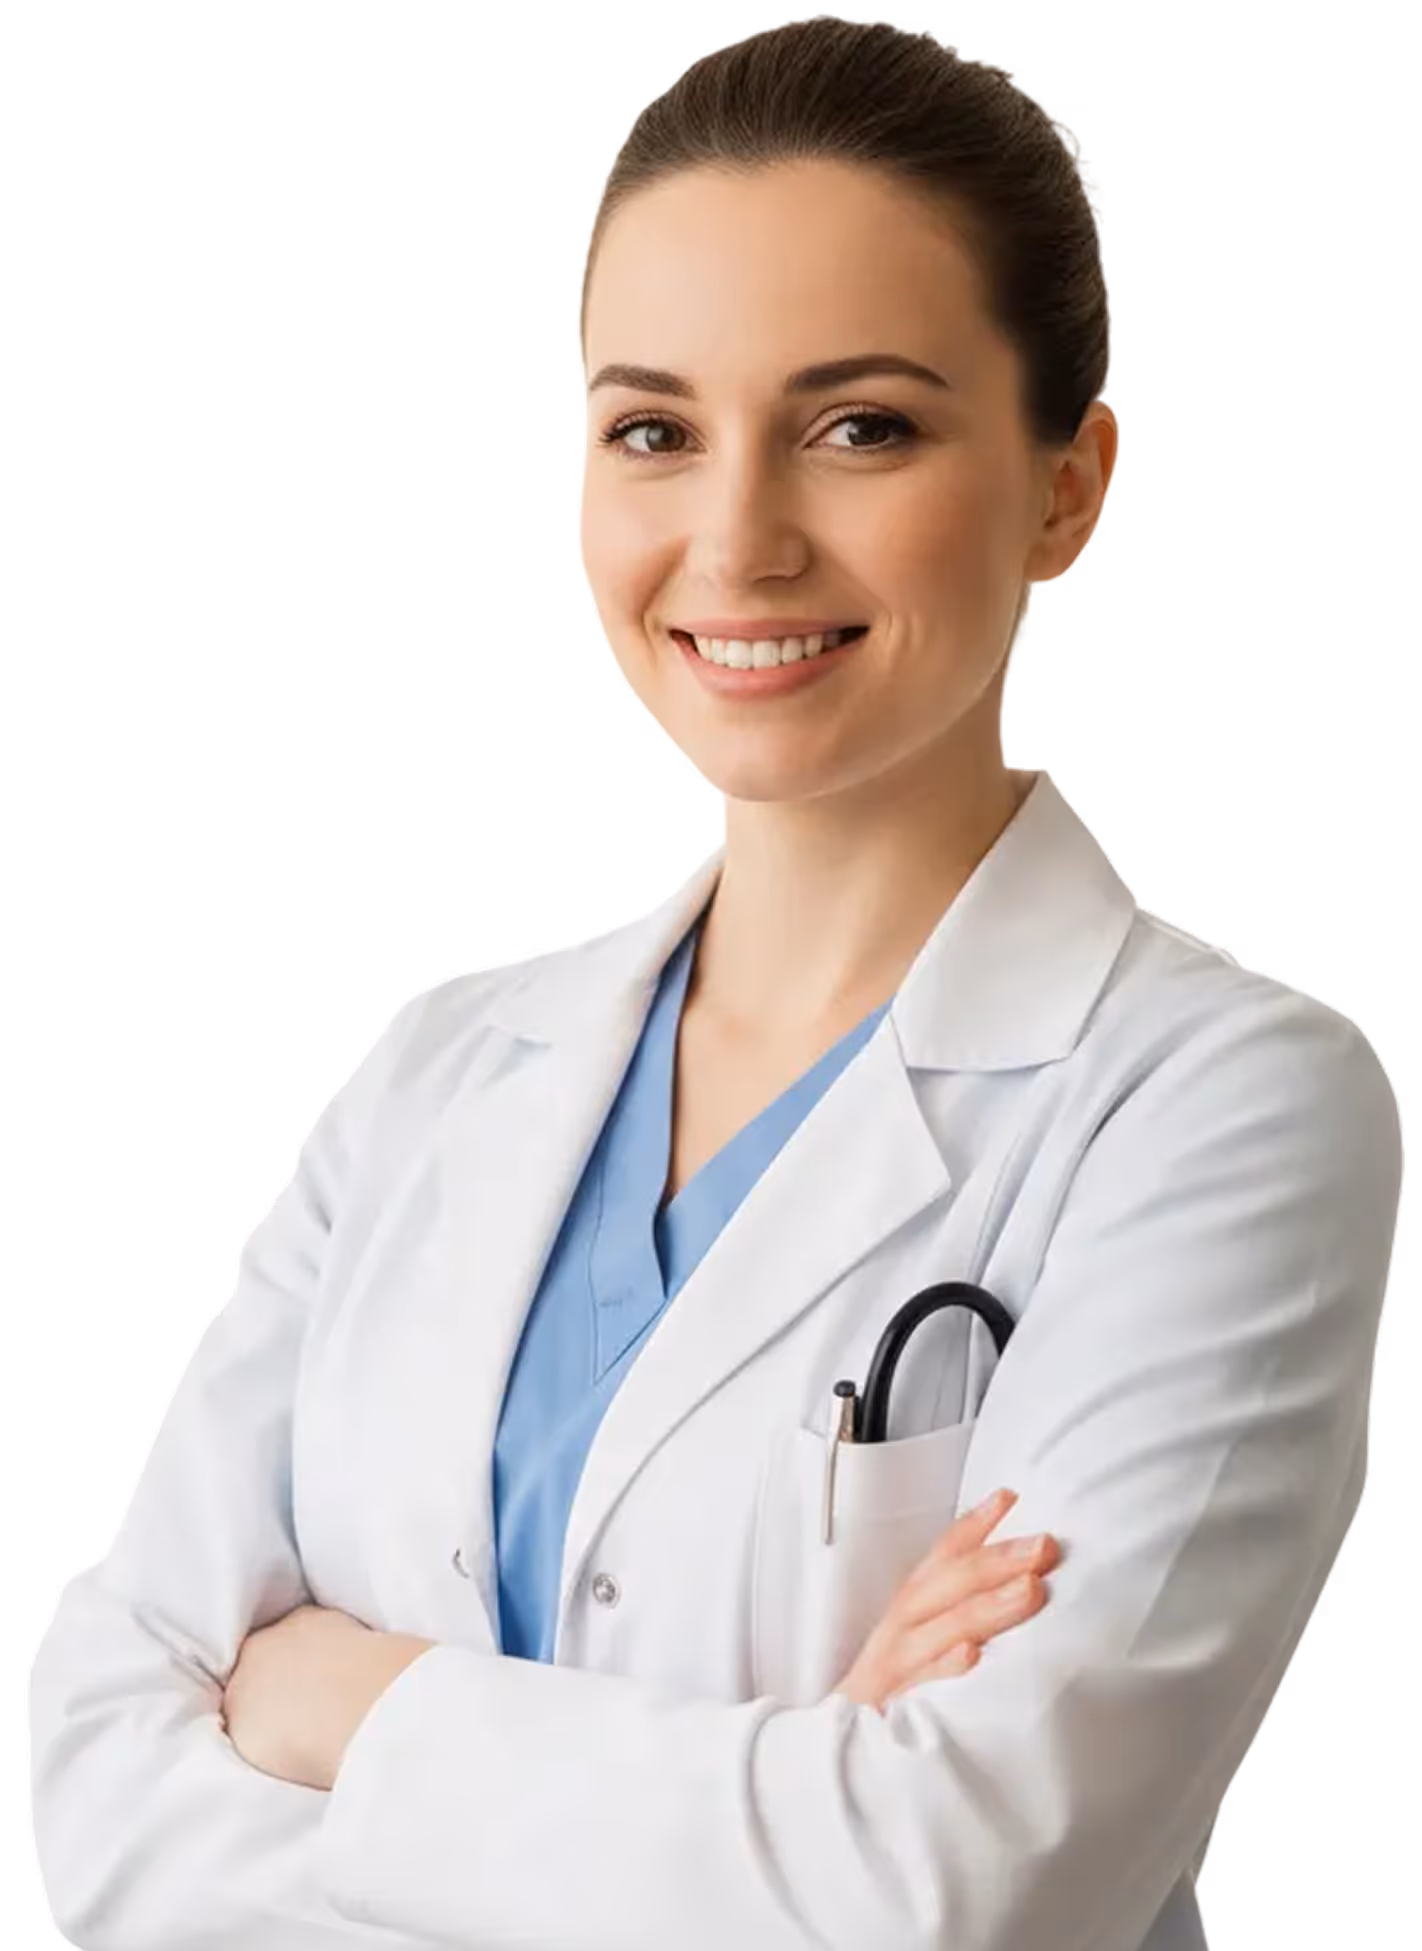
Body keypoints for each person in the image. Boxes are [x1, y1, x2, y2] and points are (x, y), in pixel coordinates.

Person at [28, 19, 1403, 1951]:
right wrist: (791, 1775)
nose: (737, 541)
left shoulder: (1226, 1101)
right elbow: (104, 1783)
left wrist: (353, 1704)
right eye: (653, 430)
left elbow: (967, 1888)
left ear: (1065, 489)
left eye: (861, 427)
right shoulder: (441, 1065)